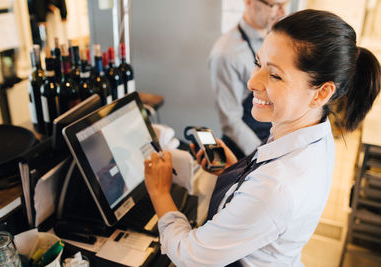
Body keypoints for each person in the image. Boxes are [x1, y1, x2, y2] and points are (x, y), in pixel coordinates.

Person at [144, 9, 381, 266]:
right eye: (258, 63)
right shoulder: (311, 128)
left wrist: (159, 192)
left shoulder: (276, 188)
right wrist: (234, 172)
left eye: (275, 75)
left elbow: (190, 254)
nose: (252, 83)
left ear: (322, 93)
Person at [209, 0, 288, 159]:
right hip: (245, 152)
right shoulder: (226, 53)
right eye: (274, 6)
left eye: (285, 4)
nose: (282, 12)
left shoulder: (278, 40)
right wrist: (263, 156)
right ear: (249, 2)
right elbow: (230, 121)